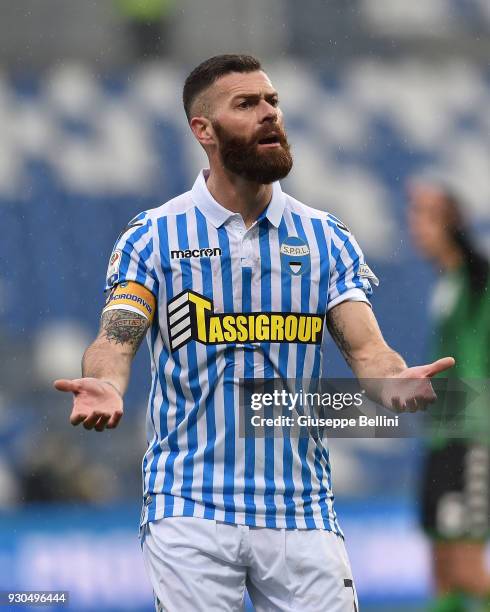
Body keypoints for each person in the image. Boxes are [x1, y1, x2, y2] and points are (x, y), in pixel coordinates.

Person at [54, 55, 454, 612]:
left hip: (300, 509)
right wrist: (106, 384)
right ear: (203, 130)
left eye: (273, 102)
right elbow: (116, 339)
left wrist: (392, 381)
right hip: (189, 506)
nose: (269, 114)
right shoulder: (154, 236)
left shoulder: (324, 238)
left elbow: (368, 349)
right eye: (246, 104)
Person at [408, 181, 490, 612]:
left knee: (465, 570)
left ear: (451, 223)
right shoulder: (451, 283)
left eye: (425, 216)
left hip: (472, 438)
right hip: (442, 439)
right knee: (441, 571)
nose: (415, 227)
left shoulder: (481, 284)